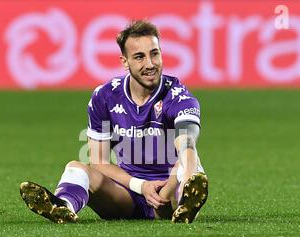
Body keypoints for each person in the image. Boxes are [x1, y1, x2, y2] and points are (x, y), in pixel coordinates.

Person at [20, 20, 208, 224]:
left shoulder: (179, 96)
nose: (150, 64)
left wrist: (179, 183)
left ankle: (185, 203)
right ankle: (63, 207)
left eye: (155, 53)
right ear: (124, 61)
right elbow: (99, 160)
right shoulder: (105, 97)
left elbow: (187, 143)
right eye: (139, 57)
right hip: (127, 195)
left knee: (189, 163)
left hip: (168, 191)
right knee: (75, 167)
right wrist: (141, 186)